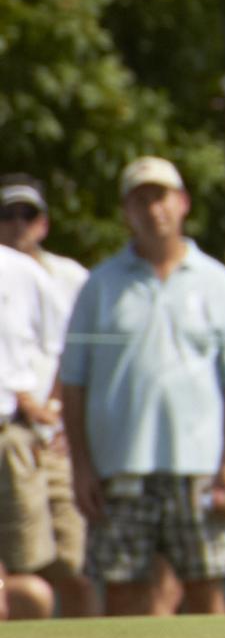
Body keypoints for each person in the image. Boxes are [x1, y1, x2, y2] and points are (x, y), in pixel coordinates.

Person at [55, 158, 225, 617]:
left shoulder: (217, 282)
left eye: (161, 196)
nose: (153, 209)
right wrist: (82, 467)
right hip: (120, 466)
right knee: (124, 592)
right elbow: (73, 383)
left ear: (182, 203)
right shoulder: (100, 284)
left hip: (199, 466)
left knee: (206, 587)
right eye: (140, 199)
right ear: (126, 210)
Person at [0, 173, 92, 614]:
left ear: (43, 222)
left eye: (27, 214)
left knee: (70, 561)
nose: (18, 223)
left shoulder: (60, 276)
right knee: (24, 567)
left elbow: (66, 351)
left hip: (51, 436)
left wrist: (57, 412)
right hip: (14, 433)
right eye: (8, 214)